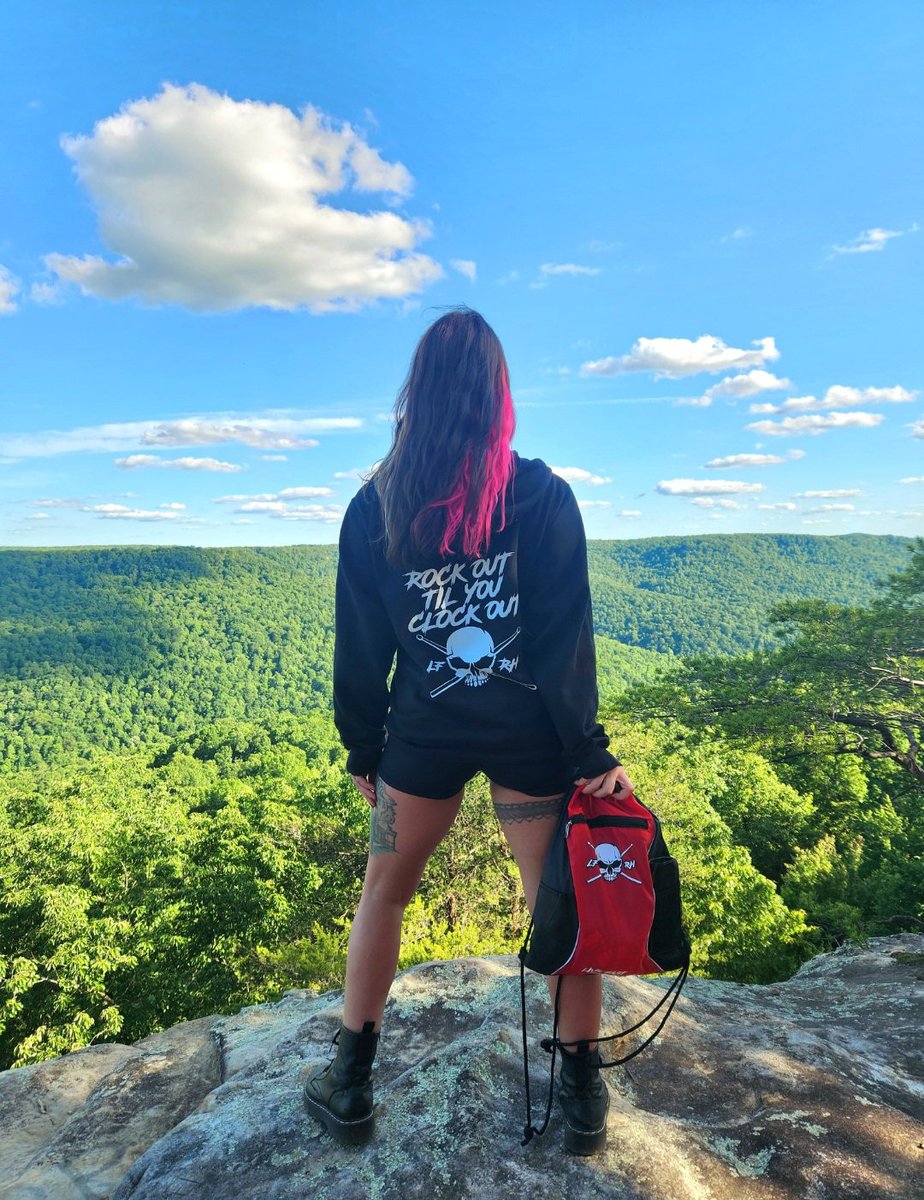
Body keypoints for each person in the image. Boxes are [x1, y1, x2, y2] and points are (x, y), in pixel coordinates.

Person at [303, 306, 634, 1156]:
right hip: (531, 739)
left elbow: (361, 645)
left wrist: (363, 746)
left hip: (424, 737)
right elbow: (566, 640)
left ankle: (350, 1082)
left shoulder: (375, 505)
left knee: (384, 892)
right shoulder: (543, 498)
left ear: (417, 393)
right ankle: (582, 1096)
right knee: (555, 906)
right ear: (499, 397)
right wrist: (586, 751)